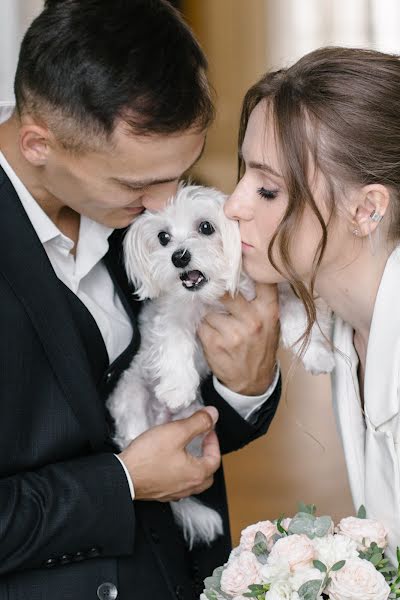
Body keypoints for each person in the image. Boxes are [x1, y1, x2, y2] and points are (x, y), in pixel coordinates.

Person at [0, 1, 281, 599]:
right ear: (37, 144)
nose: (163, 206)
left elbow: (179, 415)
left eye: (178, 176)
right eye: (137, 186)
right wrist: (122, 482)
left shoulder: (139, 203)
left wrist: (243, 388)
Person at [225, 45, 400, 564]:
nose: (233, 205)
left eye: (269, 190)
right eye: (244, 176)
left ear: (366, 209)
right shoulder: (348, 331)